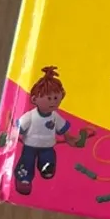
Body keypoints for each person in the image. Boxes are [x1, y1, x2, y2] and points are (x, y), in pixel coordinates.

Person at [14, 66, 78, 195]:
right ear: (34, 99)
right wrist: (11, 137)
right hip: (30, 146)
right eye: (49, 99)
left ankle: (46, 168)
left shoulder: (54, 116)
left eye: (56, 98)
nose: (53, 102)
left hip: (48, 146)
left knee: (49, 158)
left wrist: (69, 137)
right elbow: (19, 128)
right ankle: (24, 178)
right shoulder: (30, 116)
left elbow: (62, 128)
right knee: (27, 161)